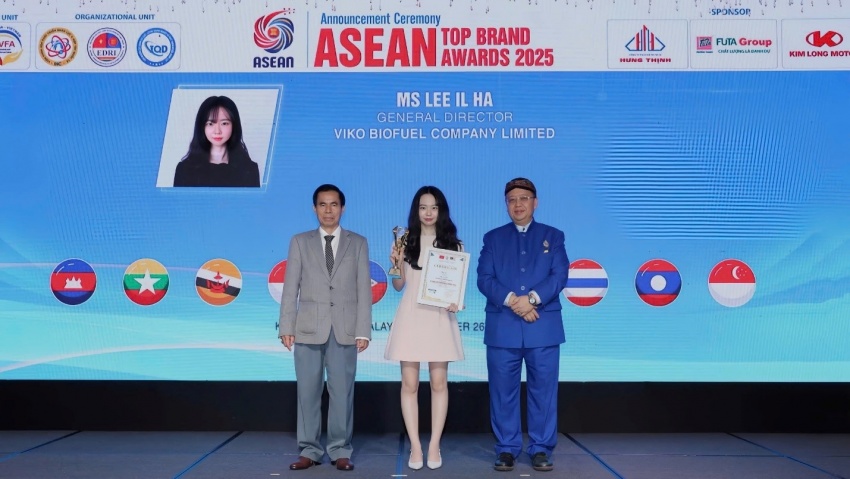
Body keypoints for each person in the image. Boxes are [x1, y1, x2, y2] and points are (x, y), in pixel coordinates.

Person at [476, 178, 569, 473]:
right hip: (503, 327)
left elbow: (559, 275)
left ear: (535, 202)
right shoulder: (493, 238)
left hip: (543, 326)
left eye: (524, 198)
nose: (518, 204)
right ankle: (506, 448)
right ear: (506, 205)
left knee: (544, 392)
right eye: (512, 199)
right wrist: (512, 301)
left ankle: (541, 448)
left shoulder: (553, 236)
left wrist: (531, 300)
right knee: (502, 393)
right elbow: (484, 279)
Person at [278, 184, 372, 472]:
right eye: (322, 204)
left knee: (342, 393)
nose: (328, 210)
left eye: (334, 204)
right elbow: (290, 287)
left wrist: (363, 329)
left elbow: (363, 290)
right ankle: (309, 450)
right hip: (308, 327)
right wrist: (286, 325)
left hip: (345, 329)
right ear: (314, 208)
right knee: (307, 392)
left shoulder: (358, 243)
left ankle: (340, 449)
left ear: (343, 208)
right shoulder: (300, 242)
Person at [384, 186, 465, 471]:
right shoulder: (404, 241)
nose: (428, 213)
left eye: (433, 207)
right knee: (409, 384)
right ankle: (416, 447)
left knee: (439, 383)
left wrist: (456, 301)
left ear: (441, 210)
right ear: (415, 211)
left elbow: (456, 289)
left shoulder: (454, 245)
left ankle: (434, 446)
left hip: (439, 318)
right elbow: (398, 286)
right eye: (422, 207)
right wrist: (396, 264)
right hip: (411, 316)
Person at [173, 95, 261, 187]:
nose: (217, 131)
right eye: (210, 123)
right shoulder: (184, 169)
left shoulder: (249, 169)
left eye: (224, 123)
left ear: (234, 126)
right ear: (202, 127)